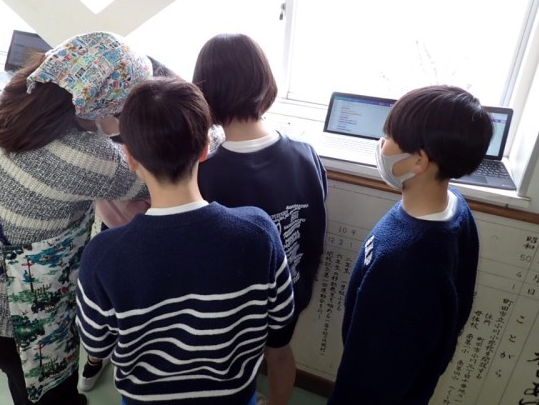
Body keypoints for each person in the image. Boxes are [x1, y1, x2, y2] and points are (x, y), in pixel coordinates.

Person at [0, 31, 153, 405]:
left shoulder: (8, 103)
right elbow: (159, 174)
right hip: (16, 326)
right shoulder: (88, 158)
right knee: (53, 397)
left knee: (26, 390)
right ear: (104, 107)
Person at [76, 77, 295, 405]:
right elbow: (280, 337)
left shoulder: (103, 255)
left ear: (130, 159)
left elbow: (97, 344)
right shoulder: (258, 234)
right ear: (206, 147)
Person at [327, 85, 493, 404]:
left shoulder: (406, 264)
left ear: (419, 160)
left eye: (389, 136)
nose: (381, 144)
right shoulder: (454, 205)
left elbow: (374, 378)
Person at [192, 33, 328, 403]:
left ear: (205, 91)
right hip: (291, 288)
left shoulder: (205, 172)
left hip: (231, 304)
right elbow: (315, 224)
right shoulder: (305, 153)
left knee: (231, 365)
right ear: (264, 82)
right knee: (280, 353)